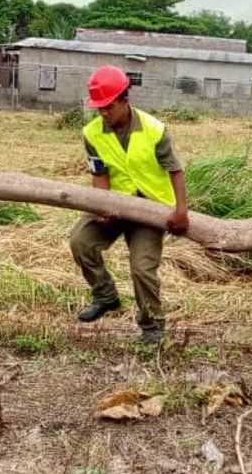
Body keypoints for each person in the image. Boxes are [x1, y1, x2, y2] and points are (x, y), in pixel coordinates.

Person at [69, 66, 189, 345]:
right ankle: (105, 296)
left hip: (150, 209)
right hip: (115, 203)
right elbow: (99, 174)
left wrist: (180, 211)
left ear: (125, 100)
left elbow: (176, 170)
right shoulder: (92, 133)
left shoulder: (154, 129)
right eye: (98, 108)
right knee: (80, 241)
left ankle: (152, 326)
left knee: (142, 268)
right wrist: (102, 208)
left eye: (108, 107)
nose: (103, 113)